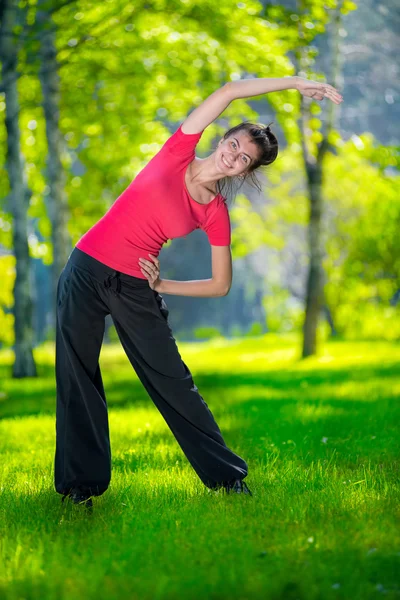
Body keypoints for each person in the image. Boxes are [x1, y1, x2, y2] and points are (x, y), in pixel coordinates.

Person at [55, 76, 343, 509]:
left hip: (135, 287)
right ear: (222, 137)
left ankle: (228, 478)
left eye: (245, 159)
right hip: (85, 267)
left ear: (247, 171)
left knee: (173, 382)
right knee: (77, 377)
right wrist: (297, 84)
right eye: (235, 146)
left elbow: (220, 284)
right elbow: (229, 91)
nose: (234, 157)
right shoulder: (177, 152)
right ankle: (81, 489)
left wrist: (162, 285)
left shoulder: (214, 211)